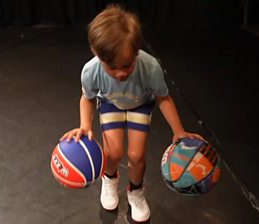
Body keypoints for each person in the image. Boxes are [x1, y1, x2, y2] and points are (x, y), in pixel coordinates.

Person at [61, 5, 203, 223]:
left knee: (137, 156)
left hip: (140, 105)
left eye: (127, 65)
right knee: (113, 153)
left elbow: (163, 98)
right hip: (111, 103)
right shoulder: (91, 71)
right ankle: (110, 179)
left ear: (137, 51)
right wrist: (85, 125)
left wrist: (179, 131)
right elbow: (87, 97)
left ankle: (135, 191)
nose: (120, 73)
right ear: (96, 53)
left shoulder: (150, 67)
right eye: (112, 67)